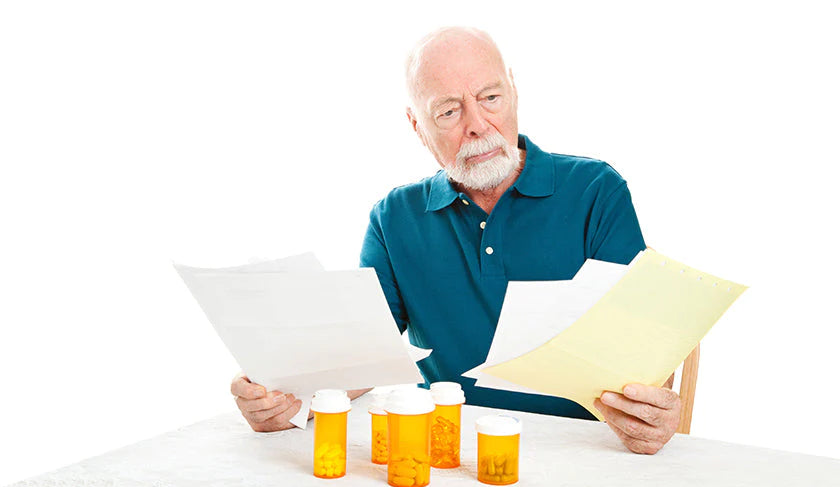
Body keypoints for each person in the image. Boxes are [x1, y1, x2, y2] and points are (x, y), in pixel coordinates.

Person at [228, 26, 682, 455]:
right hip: (446, 452)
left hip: (582, 451)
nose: (478, 124)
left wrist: (655, 411)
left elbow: (642, 348)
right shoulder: (394, 217)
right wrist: (288, 400)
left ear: (513, 92)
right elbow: (361, 357)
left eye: (490, 98)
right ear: (417, 125)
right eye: (448, 111)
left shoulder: (595, 190)